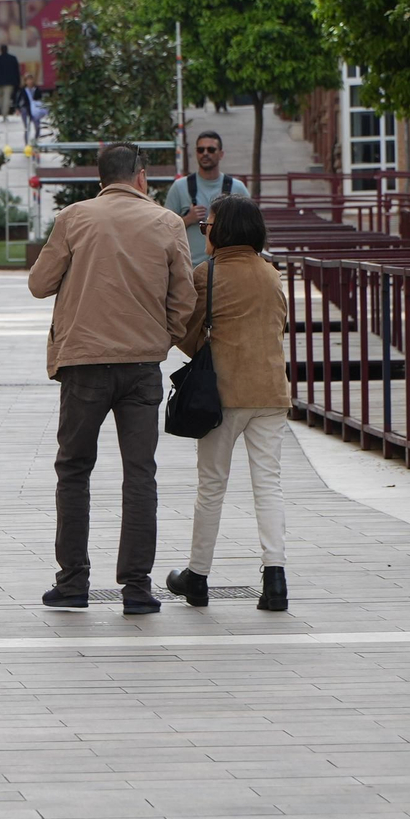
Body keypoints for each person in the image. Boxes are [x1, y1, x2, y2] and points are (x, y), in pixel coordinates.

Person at [29, 143, 196, 616]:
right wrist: (160, 338)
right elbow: (183, 300)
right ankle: (138, 588)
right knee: (140, 474)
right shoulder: (166, 223)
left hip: (83, 364)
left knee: (74, 470)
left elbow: (40, 284)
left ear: (100, 178)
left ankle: (73, 581)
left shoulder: (74, 218)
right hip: (142, 366)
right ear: (141, 177)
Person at [165, 196, 291, 613]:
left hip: (223, 394)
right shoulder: (271, 274)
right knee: (268, 486)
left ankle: (197, 577)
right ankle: (275, 580)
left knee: (212, 487)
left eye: (208, 226)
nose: (206, 232)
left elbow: (187, 330)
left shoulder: (208, 273)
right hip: (271, 392)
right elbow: (280, 324)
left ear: (221, 231)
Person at [163, 131, 250, 265]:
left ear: (221, 154)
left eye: (211, 149)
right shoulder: (179, 187)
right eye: (200, 149)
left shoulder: (237, 188)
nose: (205, 153)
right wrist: (187, 219)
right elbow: (164, 230)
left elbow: (250, 230)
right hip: (190, 271)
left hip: (228, 269)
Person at [0, 42, 21, 120]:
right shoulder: (13, 59)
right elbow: (16, 71)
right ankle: (5, 113)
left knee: (0, 99)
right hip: (10, 82)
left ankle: (3, 112)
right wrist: (18, 82)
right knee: (7, 99)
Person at [16, 73, 47, 143]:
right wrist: (18, 108)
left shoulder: (37, 89)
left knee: (37, 126)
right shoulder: (23, 90)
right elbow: (18, 100)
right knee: (27, 128)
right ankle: (27, 143)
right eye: (27, 80)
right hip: (26, 109)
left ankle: (35, 140)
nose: (29, 82)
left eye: (31, 80)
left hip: (35, 110)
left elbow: (40, 99)